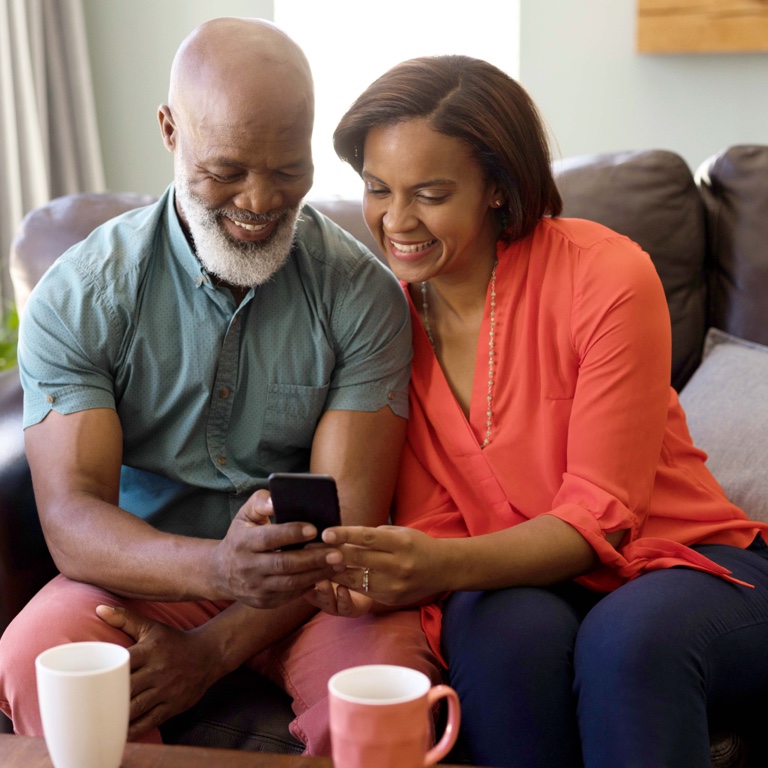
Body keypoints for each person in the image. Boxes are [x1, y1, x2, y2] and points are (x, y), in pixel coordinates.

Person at [306, 55, 768, 767]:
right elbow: (435, 526)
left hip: (689, 565)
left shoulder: (606, 274)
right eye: (377, 189)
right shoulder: (380, 321)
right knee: (497, 633)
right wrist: (381, 570)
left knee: (629, 641)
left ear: (498, 187)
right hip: (522, 581)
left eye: (430, 194)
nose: (396, 221)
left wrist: (437, 563)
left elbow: (603, 515)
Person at [0, 19, 442, 756]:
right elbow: (73, 518)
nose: (261, 200)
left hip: (311, 588)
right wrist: (217, 568)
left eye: (288, 169)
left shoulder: (361, 294)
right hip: (144, 577)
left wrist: (210, 653)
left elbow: (350, 522)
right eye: (228, 169)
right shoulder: (82, 295)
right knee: (39, 659)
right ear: (170, 131)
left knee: (387, 684)